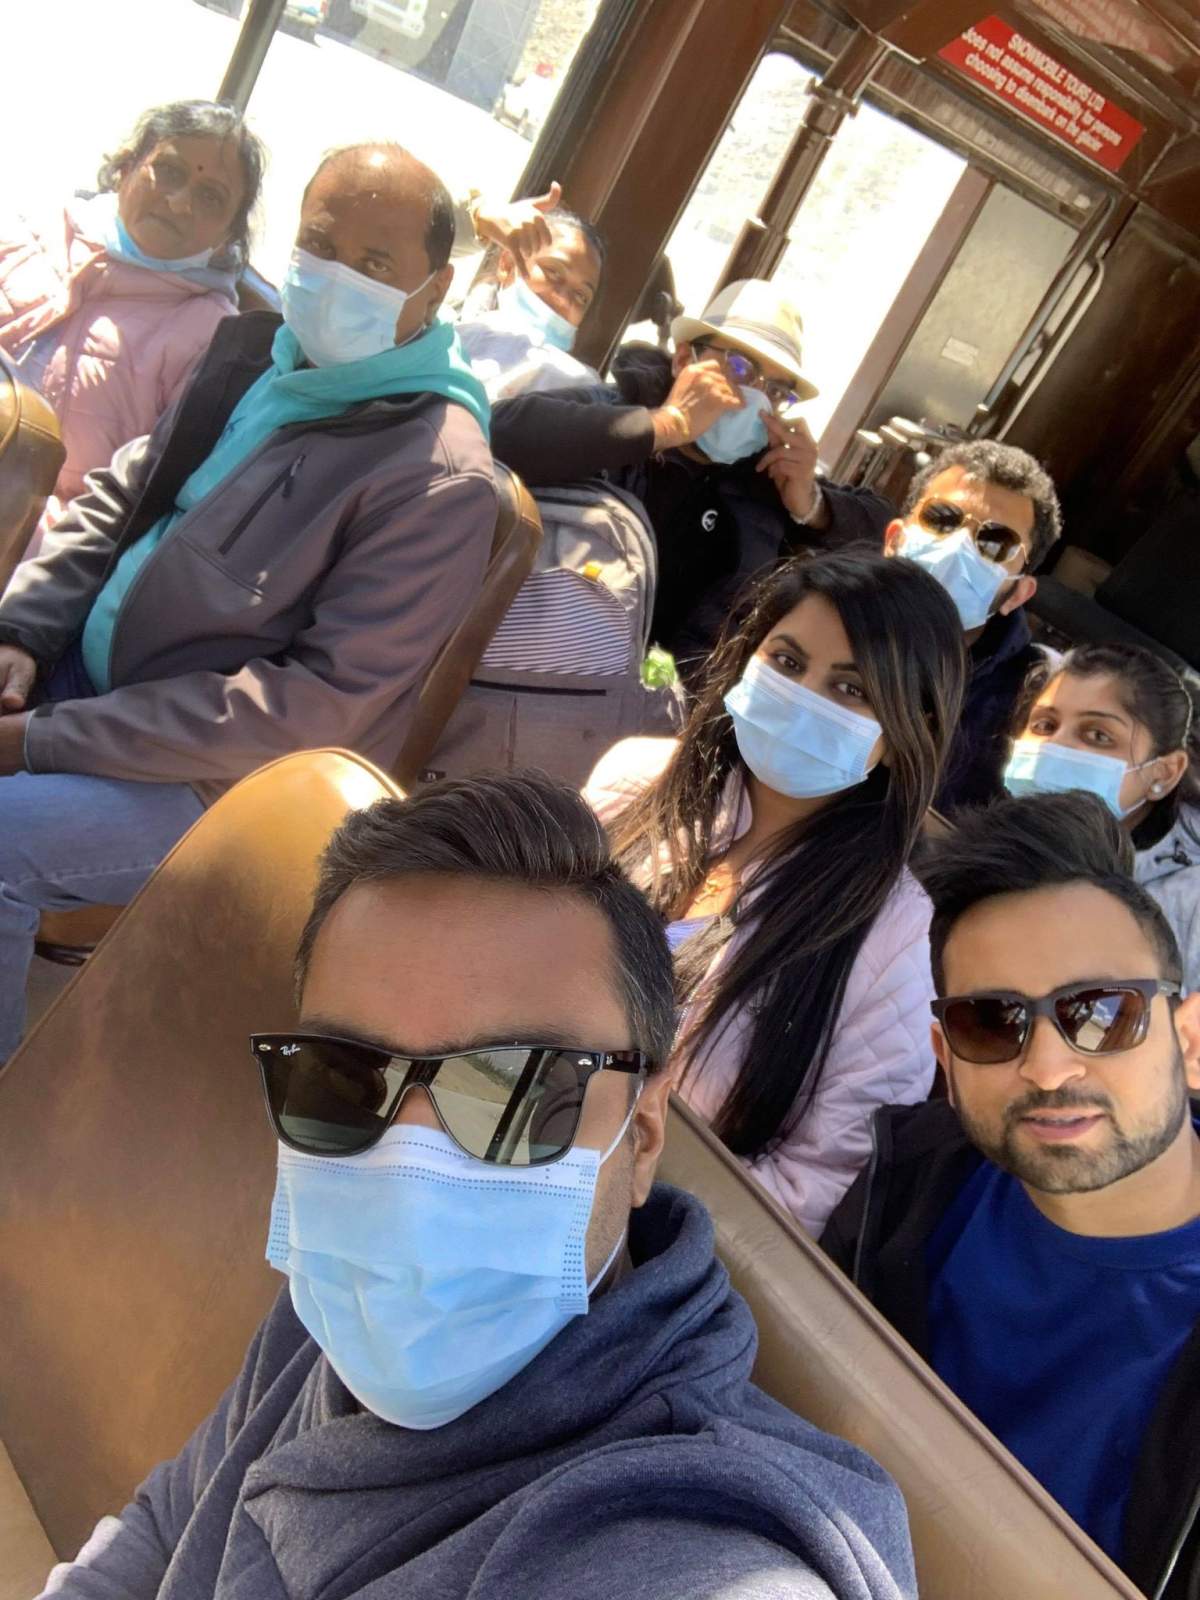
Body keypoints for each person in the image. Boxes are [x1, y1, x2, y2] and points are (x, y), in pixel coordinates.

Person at [41, 773, 917, 1600]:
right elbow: (170, 1520)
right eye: (345, 1078)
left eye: (516, 1088)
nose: (402, 1174)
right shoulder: (339, 1299)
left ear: (641, 1135)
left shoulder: (688, 1545)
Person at [0, 142, 496, 1063]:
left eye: (375, 263)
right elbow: (122, 494)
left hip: (223, 785)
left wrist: (41, 741)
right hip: (95, 689)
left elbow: (306, 712)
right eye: (319, 242)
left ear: (435, 288)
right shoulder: (260, 355)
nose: (334, 276)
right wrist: (23, 633)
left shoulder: (434, 474)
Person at [821, 792, 1200, 1599]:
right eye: (993, 1024)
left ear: (1187, 1034)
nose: (1049, 1067)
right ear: (943, 1055)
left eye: (1103, 1014)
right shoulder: (907, 1187)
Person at [586, 549, 965, 1235]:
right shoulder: (633, 783)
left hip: (622, 1248)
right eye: (787, 664)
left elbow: (814, 1185)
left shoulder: (895, 941)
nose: (805, 698)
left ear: (910, 731)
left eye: (851, 690)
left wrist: (610, 1198)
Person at [492, 278, 894, 674]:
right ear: (686, 359)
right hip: (534, 670)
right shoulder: (616, 409)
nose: (754, 397)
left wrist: (813, 506)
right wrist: (665, 426)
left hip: (658, 714)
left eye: (775, 391)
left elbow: (883, 536)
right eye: (740, 367)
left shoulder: (765, 479)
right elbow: (496, 433)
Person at [0, 100, 265, 553]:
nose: (179, 201)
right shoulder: (28, 238)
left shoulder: (211, 341)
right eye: (169, 171)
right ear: (126, 167)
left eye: (210, 196)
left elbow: (136, 510)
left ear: (228, 232)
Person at [1005, 641, 1200, 991]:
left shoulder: (1189, 909)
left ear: (1164, 773)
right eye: (1045, 725)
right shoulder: (1004, 847)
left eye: (1097, 736)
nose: (1054, 747)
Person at [883, 439, 1062, 813]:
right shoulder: (814, 613)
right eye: (942, 519)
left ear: (1018, 593)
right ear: (893, 538)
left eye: (995, 543)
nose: (959, 546)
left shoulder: (1025, 711)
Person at [456, 182, 606, 399]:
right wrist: (481, 217)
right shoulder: (439, 334)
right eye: (553, 272)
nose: (563, 300)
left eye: (581, 296)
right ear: (507, 265)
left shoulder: (580, 390)